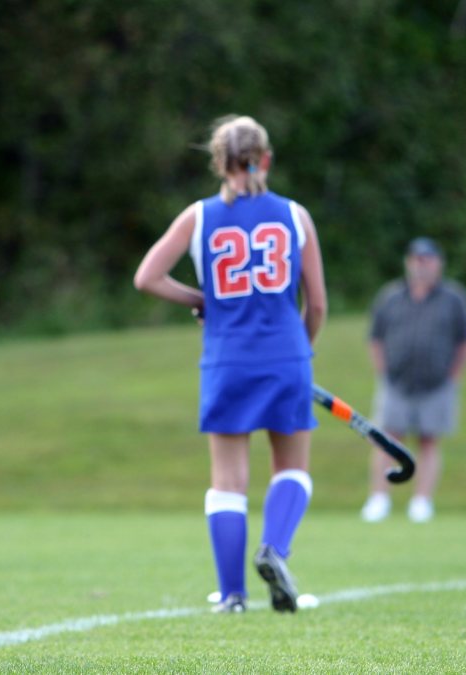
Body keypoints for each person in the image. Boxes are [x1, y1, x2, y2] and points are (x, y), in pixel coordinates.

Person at [134, 115, 327, 614]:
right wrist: (301, 353)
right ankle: (275, 550)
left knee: (227, 481)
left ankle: (233, 596)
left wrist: (202, 298)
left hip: (227, 359)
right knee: (292, 469)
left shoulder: (197, 217)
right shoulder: (295, 216)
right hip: (287, 355)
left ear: (219, 162)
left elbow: (147, 277)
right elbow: (318, 305)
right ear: (265, 158)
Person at [359, 237, 466, 524]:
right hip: (396, 382)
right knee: (387, 439)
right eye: (417, 260)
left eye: (429, 260)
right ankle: (379, 498)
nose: (423, 266)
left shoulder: (453, 298)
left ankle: (422, 501)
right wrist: (383, 371)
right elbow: (375, 338)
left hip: (437, 383)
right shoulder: (391, 296)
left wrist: (454, 376)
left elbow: (465, 341)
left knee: (428, 441)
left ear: (439, 263)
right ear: (409, 263)